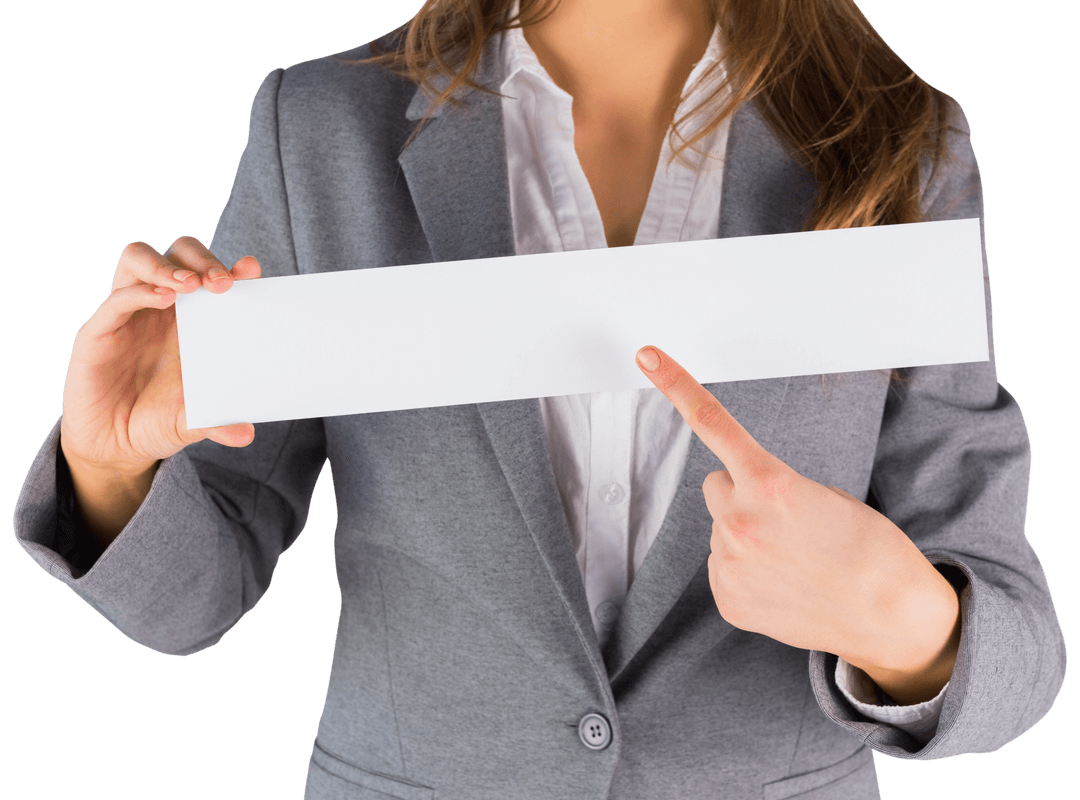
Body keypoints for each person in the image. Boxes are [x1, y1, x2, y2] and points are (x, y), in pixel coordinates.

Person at [12, 0, 1066, 798]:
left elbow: (1018, 638)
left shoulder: (904, 146)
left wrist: (901, 618)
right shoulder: (322, 130)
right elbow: (196, 598)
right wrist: (110, 467)